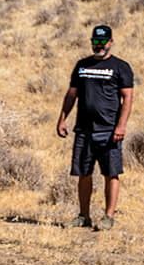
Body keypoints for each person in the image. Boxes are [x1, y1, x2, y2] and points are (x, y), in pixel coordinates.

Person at [55, 24, 136, 230]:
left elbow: (127, 98)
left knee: (111, 173)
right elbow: (71, 94)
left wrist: (121, 126)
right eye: (95, 41)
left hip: (109, 130)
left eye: (103, 41)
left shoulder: (120, 67)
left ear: (111, 42)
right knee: (83, 173)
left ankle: (108, 217)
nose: (99, 45)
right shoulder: (82, 65)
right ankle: (84, 216)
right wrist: (62, 118)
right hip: (84, 130)